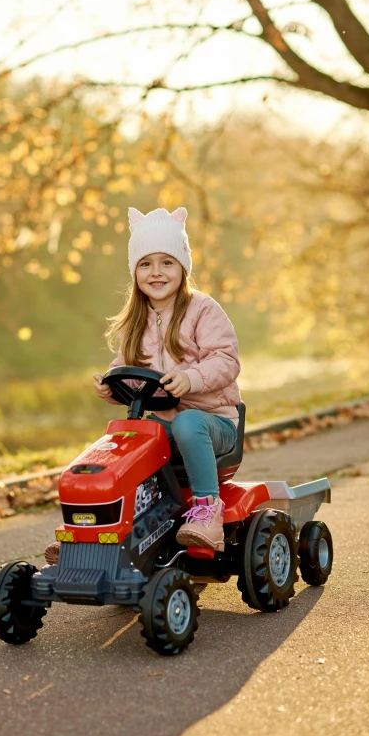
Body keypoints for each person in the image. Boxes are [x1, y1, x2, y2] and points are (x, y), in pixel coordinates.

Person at [93, 206, 241, 552]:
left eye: (166, 262)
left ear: (182, 266)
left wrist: (191, 379)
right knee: (124, 436)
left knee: (188, 421)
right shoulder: (136, 321)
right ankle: (106, 523)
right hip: (165, 425)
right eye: (146, 264)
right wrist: (112, 387)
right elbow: (129, 373)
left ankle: (208, 511)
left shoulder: (202, 309)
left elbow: (226, 360)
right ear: (134, 272)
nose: (156, 272)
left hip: (215, 425)